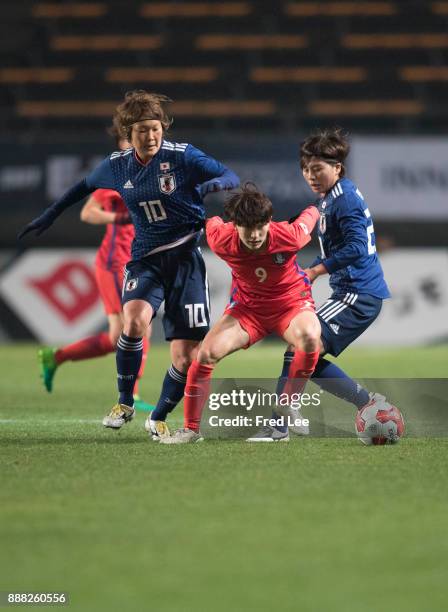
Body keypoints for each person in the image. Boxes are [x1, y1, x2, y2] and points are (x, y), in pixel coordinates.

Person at [19, 90, 240, 431]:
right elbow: (81, 186)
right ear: (128, 133)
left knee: (187, 356)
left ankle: (159, 418)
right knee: (133, 322)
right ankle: (124, 402)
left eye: (155, 128)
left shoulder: (183, 156)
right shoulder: (115, 166)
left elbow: (230, 176)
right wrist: (51, 214)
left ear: (163, 128)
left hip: (185, 260)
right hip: (145, 260)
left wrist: (213, 185)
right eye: (141, 130)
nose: (150, 136)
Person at [160, 183, 321, 444]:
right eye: (247, 227)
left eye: (260, 226)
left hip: (290, 304)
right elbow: (207, 220)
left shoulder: (289, 236)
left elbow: (311, 215)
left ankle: (289, 404)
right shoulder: (221, 238)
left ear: (269, 221)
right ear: (235, 224)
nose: (255, 235)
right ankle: (191, 430)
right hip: (247, 311)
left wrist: (318, 207)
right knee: (205, 354)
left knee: (311, 338)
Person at [276, 128, 391, 432]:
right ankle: (366, 402)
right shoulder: (333, 197)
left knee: (301, 347)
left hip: (358, 294)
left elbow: (355, 247)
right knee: (303, 351)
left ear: (337, 167)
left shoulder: (344, 199)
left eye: (317, 169)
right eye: (305, 169)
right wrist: (309, 268)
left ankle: (279, 424)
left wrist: (316, 271)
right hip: (351, 291)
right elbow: (341, 247)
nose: (310, 176)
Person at [38, 128, 152, 411]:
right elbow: (87, 212)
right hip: (116, 263)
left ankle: (59, 358)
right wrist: (119, 217)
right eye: (128, 140)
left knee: (131, 332)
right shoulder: (115, 177)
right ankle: (131, 394)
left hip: (138, 261)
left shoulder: (151, 175)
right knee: (130, 331)